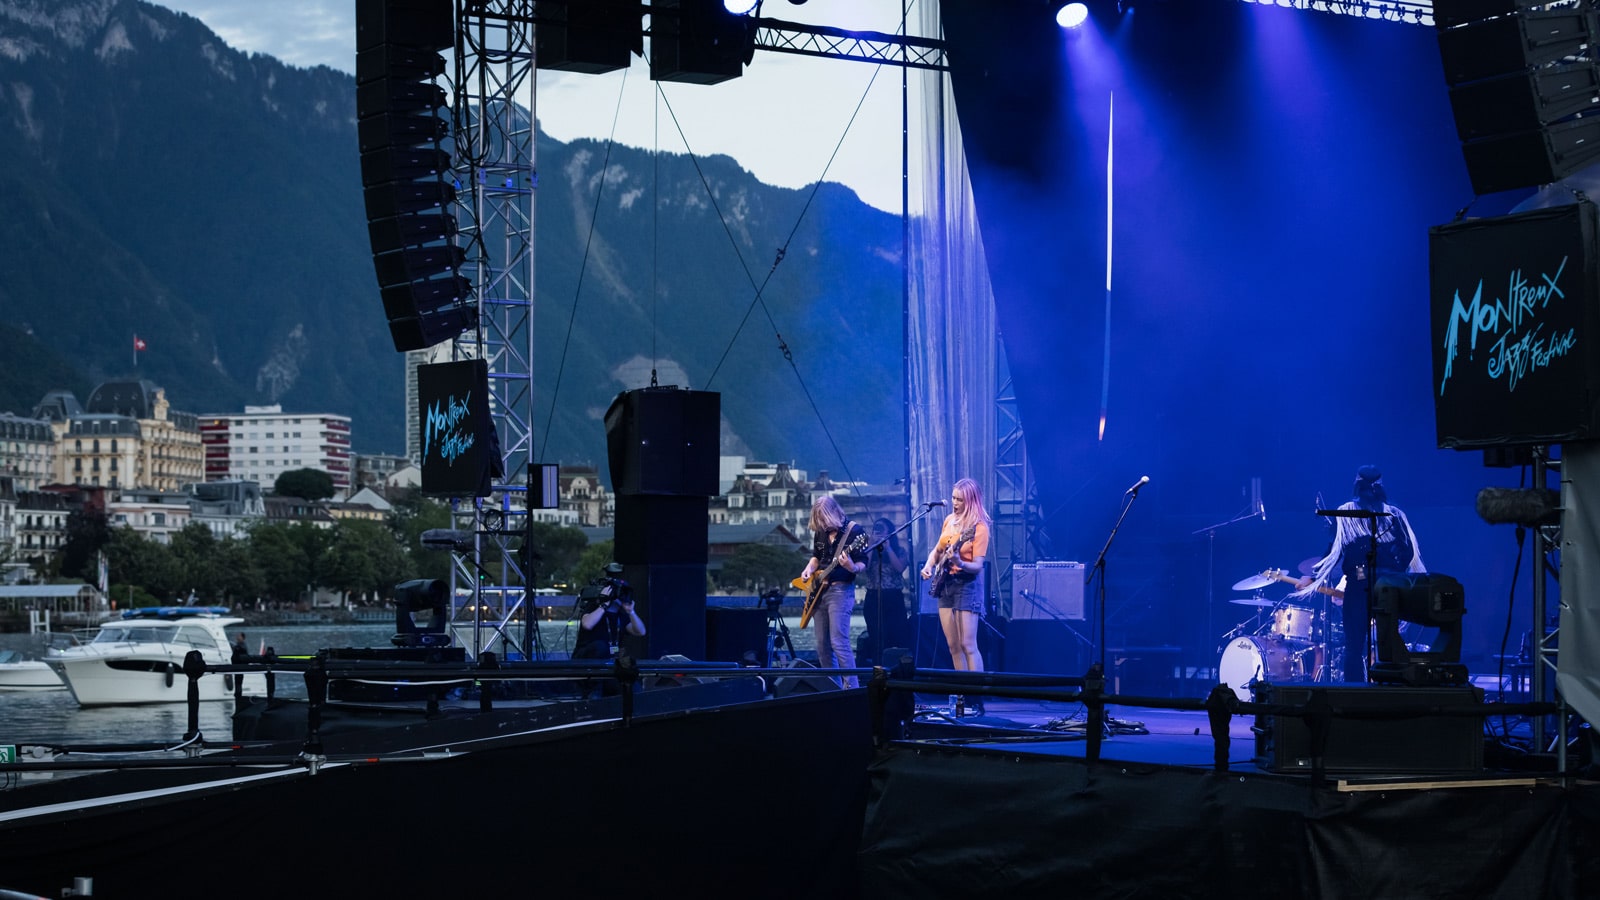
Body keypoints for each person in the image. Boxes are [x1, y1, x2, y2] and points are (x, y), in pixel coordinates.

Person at [1293, 465, 1425, 683]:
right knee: (1354, 645)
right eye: (1367, 487)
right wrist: (1315, 577)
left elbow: (1408, 550)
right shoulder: (1345, 513)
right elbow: (1333, 551)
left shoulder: (1394, 515)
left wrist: (1396, 573)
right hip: (1359, 583)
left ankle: (1392, 686)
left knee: (1388, 639)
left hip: (1388, 585)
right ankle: (1355, 691)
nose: (1370, 492)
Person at [920, 478, 991, 705]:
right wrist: (929, 565)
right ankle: (962, 695)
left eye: (960, 499)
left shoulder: (979, 528)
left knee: (968, 644)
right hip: (946, 585)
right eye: (953, 498)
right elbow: (938, 549)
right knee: (953, 645)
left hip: (967, 585)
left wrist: (960, 561)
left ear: (970, 501)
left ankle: (976, 697)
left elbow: (978, 566)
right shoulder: (949, 520)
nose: (955, 502)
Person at [798, 495, 867, 688]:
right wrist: (809, 569)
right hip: (819, 591)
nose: (822, 526)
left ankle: (852, 688)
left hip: (840, 591)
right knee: (822, 645)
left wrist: (851, 566)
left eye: (824, 521)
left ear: (834, 513)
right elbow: (816, 557)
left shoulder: (855, 533)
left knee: (839, 641)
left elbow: (864, 564)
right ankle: (832, 688)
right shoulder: (821, 532)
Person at [859, 517, 910, 667]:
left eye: (882, 530)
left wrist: (888, 548)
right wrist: (870, 545)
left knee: (897, 634)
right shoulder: (869, 551)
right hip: (873, 596)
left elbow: (900, 568)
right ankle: (878, 669)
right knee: (876, 636)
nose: (878, 533)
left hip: (893, 597)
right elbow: (864, 567)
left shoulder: (900, 550)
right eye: (876, 530)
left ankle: (898, 671)